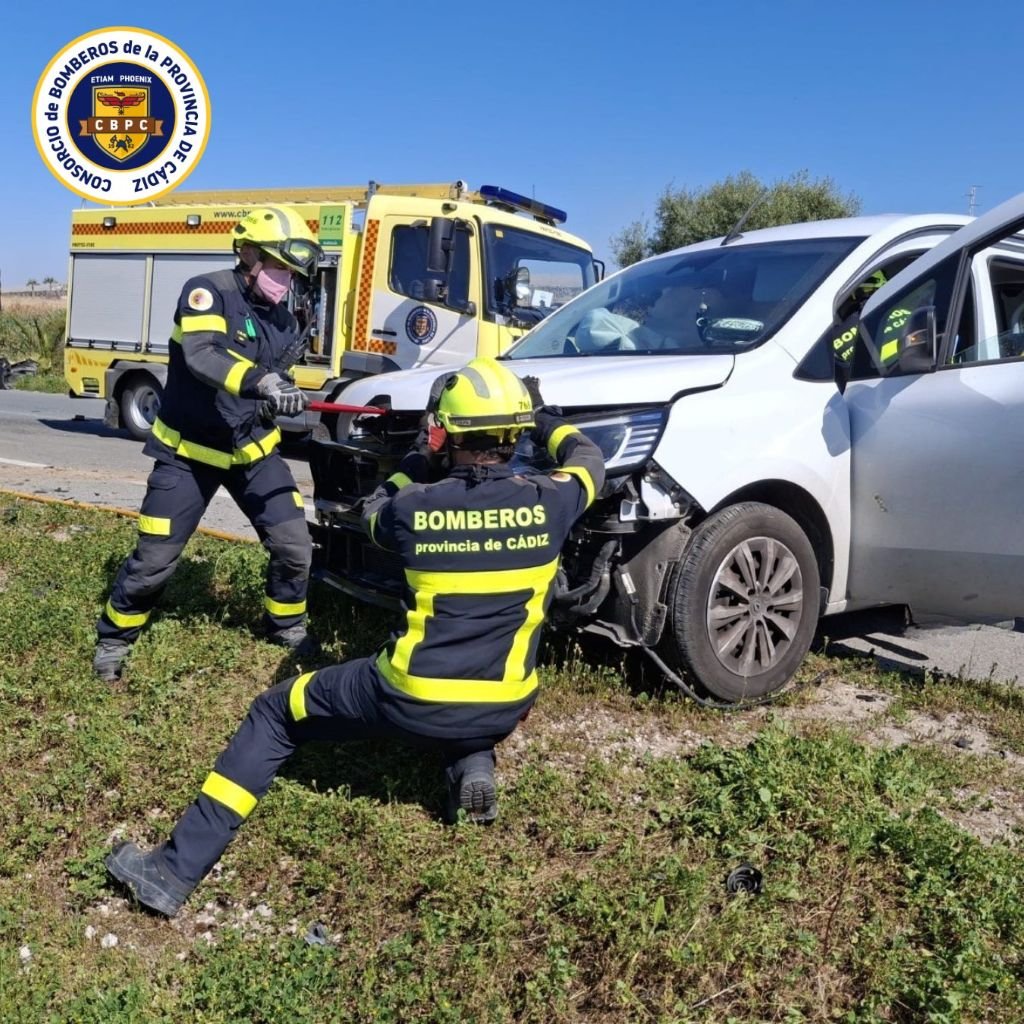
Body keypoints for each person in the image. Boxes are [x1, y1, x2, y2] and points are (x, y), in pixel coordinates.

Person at [105, 357, 606, 917]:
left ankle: (173, 871)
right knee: (474, 679)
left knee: (274, 712)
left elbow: (367, 511)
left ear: (447, 434)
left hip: (408, 696)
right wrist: (541, 419)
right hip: (506, 703)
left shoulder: (414, 508)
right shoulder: (556, 500)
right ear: (513, 433)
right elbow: (587, 456)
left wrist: (418, 456)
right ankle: (472, 761)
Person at [92, 206, 324, 682]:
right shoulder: (207, 292)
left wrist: (277, 398)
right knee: (154, 560)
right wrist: (261, 383)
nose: (286, 279)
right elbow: (202, 357)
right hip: (187, 456)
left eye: (291, 271)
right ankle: (114, 640)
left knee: (295, 546)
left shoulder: (283, 319)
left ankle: (285, 626)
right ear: (249, 254)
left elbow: (275, 377)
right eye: (280, 267)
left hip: (252, 454)